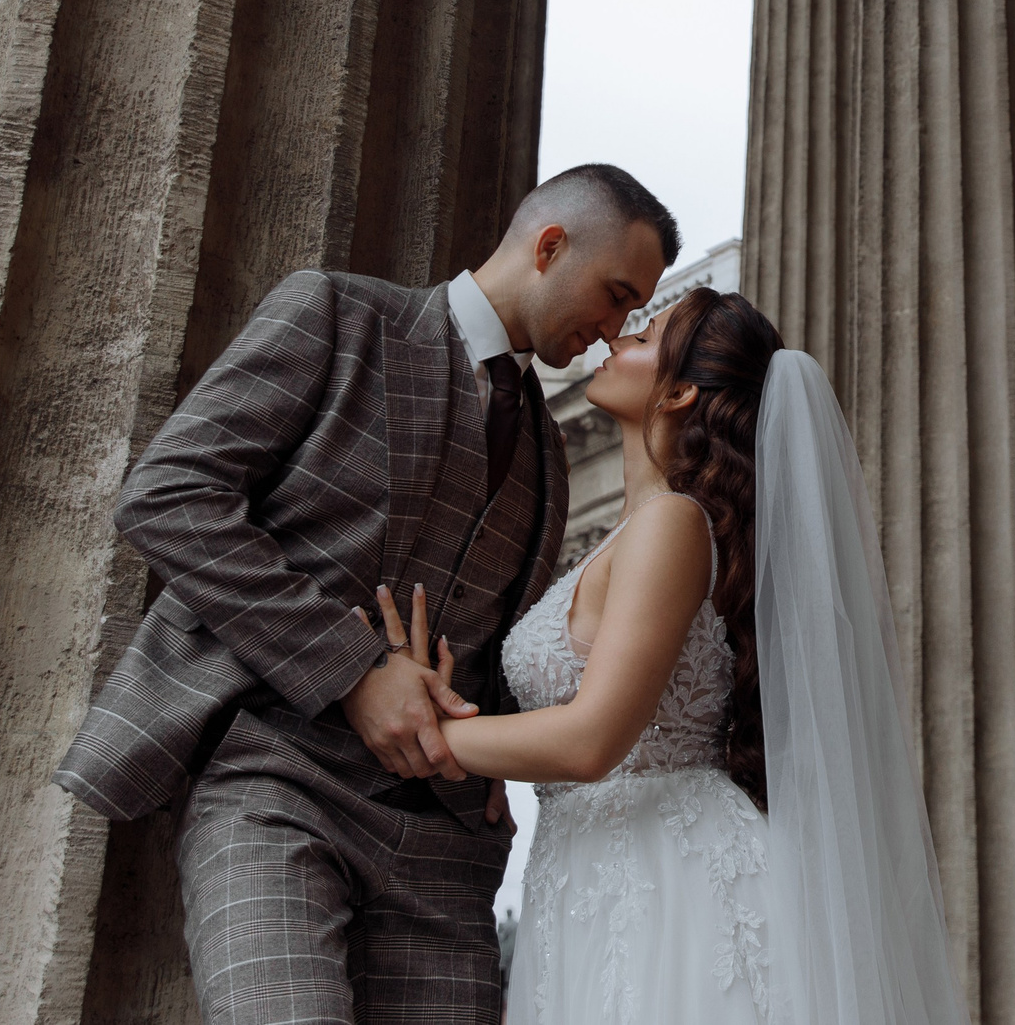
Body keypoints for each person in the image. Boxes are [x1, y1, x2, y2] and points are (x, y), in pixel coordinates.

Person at [54, 164, 676, 1025]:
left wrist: (493, 752)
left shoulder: (548, 450)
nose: (612, 332)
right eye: (615, 296)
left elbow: (490, 632)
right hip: (274, 782)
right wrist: (354, 668)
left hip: (443, 846)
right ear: (548, 246)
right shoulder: (339, 316)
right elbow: (169, 496)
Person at [403, 285, 967, 1024]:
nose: (615, 338)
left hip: (667, 883)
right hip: (593, 874)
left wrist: (425, 731)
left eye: (643, 337)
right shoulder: (635, 533)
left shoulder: (671, 522)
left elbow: (590, 740)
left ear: (679, 393)